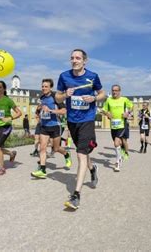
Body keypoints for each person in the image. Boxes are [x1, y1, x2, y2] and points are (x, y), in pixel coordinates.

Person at [56, 48, 106, 210]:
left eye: (78, 58)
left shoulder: (92, 76)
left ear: (85, 60)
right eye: (72, 58)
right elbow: (57, 97)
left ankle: (76, 195)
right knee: (82, 153)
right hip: (72, 121)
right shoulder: (64, 76)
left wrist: (94, 98)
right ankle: (93, 169)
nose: (74, 60)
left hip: (87, 120)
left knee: (80, 154)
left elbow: (102, 93)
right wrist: (65, 95)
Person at [31, 79, 72, 179]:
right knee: (43, 148)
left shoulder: (56, 97)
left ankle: (66, 155)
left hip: (55, 126)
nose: (43, 88)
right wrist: (39, 111)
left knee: (56, 148)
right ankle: (43, 170)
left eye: (46, 86)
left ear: (51, 88)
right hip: (44, 126)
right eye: (42, 86)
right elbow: (40, 110)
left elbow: (64, 111)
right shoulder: (42, 97)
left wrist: (50, 111)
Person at [0, 80, 22, 177]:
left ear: (4, 89)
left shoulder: (8, 101)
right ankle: (11, 153)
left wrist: (10, 118)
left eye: (0, 87)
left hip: (5, 126)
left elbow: (19, 113)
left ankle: (1, 169)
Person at [101, 84, 133, 172]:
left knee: (116, 143)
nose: (114, 92)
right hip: (113, 125)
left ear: (119, 91)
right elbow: (103, 110)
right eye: (113, 90)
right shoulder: (109, 100)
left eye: (116, 90)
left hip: (122, 124)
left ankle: (118, 162)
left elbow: (131, 106)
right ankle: (121, 154)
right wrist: (107, 114)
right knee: (117, 143)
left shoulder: (124, 99)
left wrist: (128, 113)